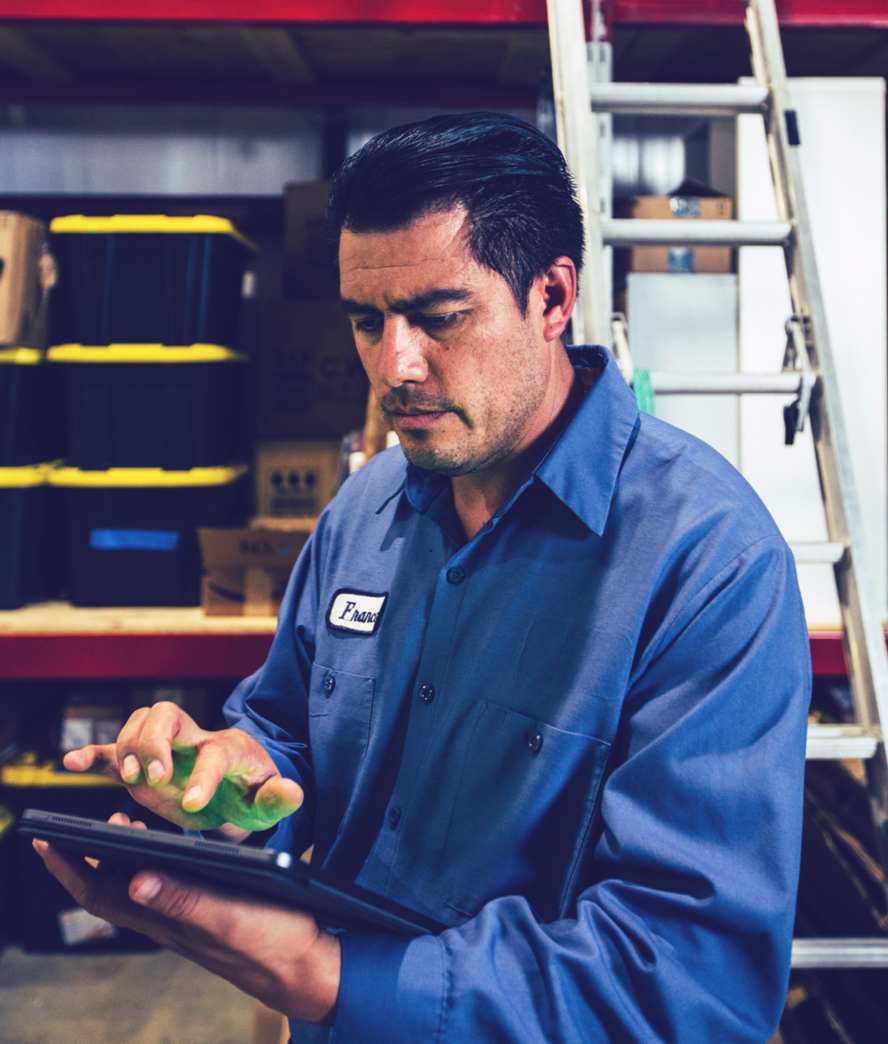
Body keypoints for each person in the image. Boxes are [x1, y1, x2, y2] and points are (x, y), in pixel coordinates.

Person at [36, 112, 811, 1043]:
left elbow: (689, 981)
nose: (394, 367)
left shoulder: (706, 560)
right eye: (368, 323)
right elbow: (289, 736)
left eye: (441, 318)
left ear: (553, 296)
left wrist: (328, 978)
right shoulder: (360, 517)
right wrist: (232, 781)